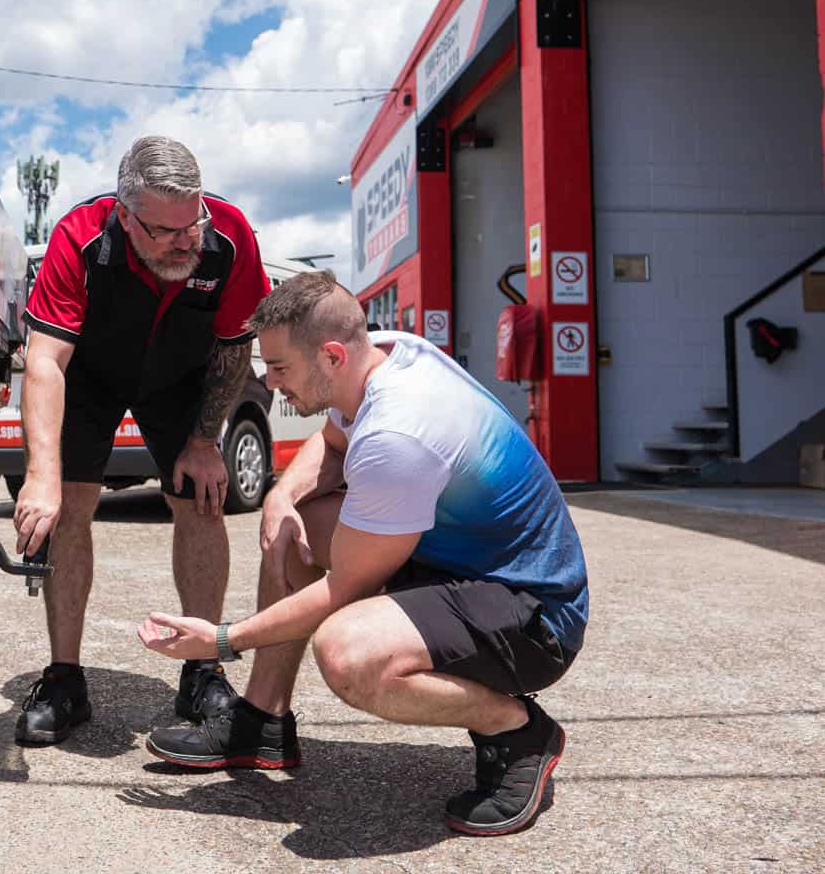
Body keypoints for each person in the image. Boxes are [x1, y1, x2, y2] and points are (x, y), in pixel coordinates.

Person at [137, 270, 589, 837]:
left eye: (279, 368)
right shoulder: (387, 354)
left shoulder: (396, 435)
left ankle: (517, 729)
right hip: (463, 566)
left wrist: (223, 640)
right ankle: (263, 722)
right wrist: (281, 497)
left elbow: (341, 591)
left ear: (330, 356)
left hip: (535, 616)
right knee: (297, 527)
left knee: (349, 654)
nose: (270, 382)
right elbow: (329, 444)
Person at [13, 135, 271, 745]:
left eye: (193, 222)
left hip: (180, 378)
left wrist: (205, 440)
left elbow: (236, 348)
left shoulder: (230, 236)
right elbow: (45, 361)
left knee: (202, 499)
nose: (188, 241)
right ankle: (65, 679)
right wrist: (42, 476)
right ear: (127, 218)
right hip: (90, 375)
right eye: (167, 232)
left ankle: (202, 672)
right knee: (69, 508)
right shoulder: (79, 237)